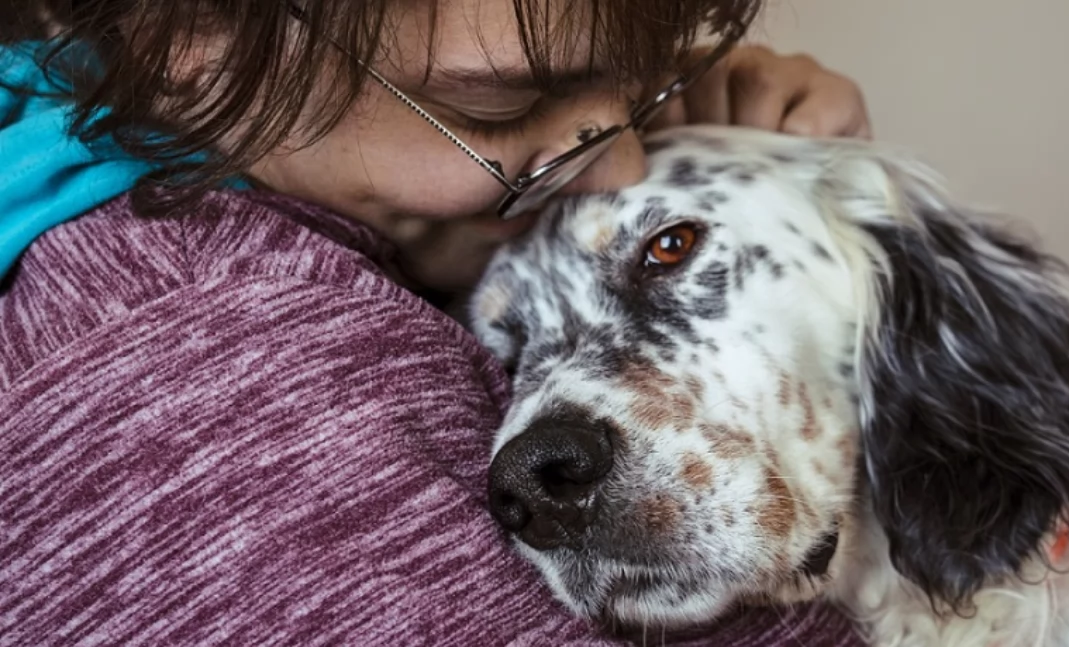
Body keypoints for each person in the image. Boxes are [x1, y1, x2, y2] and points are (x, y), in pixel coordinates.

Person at [0, 1, 871, 644]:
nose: (623, 169)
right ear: (183, 31)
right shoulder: (204, 368)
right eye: (500, 102)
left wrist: (783, 186)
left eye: (650, 76)